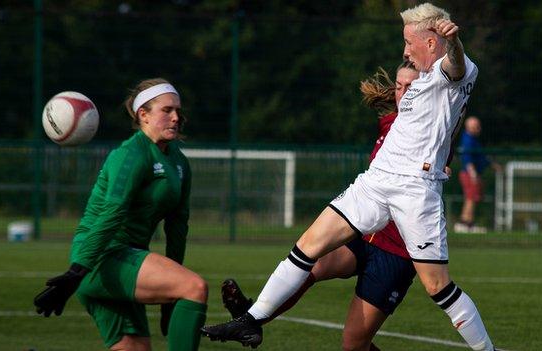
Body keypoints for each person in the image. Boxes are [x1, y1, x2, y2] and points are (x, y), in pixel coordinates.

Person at [202, 3, 497, 351]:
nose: (404, 50)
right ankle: (251, 321)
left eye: (408, 42)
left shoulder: (451, 72)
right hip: (375, 182)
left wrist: (457, 43)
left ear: (431, 42)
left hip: (414, 191)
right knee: (308, 246)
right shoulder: (418, 83)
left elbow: (457, 64)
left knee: (438, 287)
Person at [220, 62, 419, 351]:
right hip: (364, 234)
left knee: (353, 344)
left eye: (411, 87)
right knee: (311, 264)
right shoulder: (389, 122)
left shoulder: (434, 128)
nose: (403, 93)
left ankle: (250, 318)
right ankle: (252, 320)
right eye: (399, 87)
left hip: (396, 250)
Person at [33, 78, 208, 351]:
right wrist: (77, 271)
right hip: (100, 258)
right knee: (194, 287)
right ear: (144, 115)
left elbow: (178, 229)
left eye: (178, 111)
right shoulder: (131, 154)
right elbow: (111, 215)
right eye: (167, 110)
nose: (176, 117)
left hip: (124, 259)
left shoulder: (179, 162)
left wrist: (169, 301)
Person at [454, 116, 498, 234]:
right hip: (470, 173)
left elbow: (481, 156)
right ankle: (466, 223)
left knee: (472, 197)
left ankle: (467, 222)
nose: (479, 128)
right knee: (470, 198)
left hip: (472, 173)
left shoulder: (473, 139)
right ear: (469, 127)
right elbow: (467, 158)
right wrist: (473, 174)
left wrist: (492, 164)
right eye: (476, 126)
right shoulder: (468, 140)